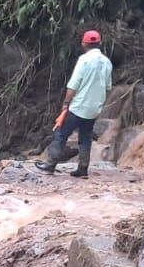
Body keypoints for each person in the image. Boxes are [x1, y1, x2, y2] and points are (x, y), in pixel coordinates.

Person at [36, 28, 112, 177]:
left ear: (84, 44)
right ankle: (82, 169)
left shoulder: (84, 60)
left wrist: (66, 103)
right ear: (100, 43)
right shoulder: (107, 62)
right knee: (85, 137)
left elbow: (73, 85)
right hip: (93, 109)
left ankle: (50, 164)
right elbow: (108, 87)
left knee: (61, 133)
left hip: (78, 106)